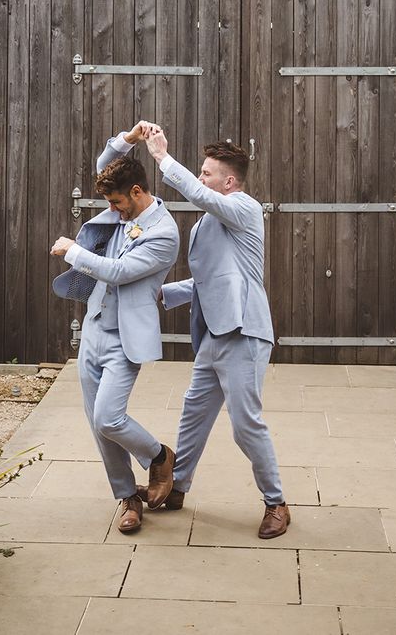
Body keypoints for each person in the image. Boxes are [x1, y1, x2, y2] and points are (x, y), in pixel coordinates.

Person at [141, 129, 290, 539]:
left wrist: (162, 158)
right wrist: (160, 292)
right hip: (213, 337)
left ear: (229, 181)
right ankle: (177, 488)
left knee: (246, 425)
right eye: (200, 172)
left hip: (244, 333)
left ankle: (276, 503)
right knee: (194, 415)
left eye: (207, 173)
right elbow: (212, 281)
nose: (201, 179)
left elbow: (199, 194)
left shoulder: (243, 207)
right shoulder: (208, 224)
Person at [51, 122, 180, 533]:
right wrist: (128, 138)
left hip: (125, 340)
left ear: (139, 193)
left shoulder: (164, 232)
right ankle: (126, 497)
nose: (114, 208)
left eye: (119, 202)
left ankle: (159, 456)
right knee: (97, 424)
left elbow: (122, 272)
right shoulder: (122, 203)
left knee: (109, 418)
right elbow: (106, 166)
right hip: (92, 329)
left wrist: (74, 252)